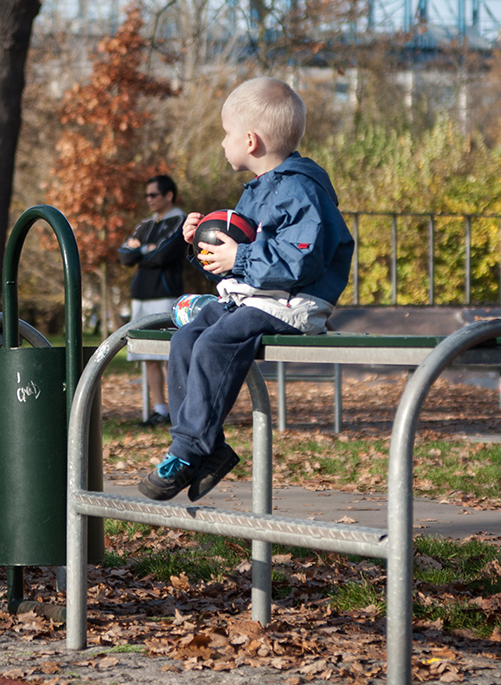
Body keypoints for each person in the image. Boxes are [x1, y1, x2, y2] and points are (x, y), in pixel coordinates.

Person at [138, 77, 355, 502]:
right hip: (258, 298)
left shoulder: (300, 189)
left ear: (251, 140)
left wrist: (238, 258)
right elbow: (240, 266)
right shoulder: (258, 192)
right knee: (187, 339)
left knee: (215, 342)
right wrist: (200, 243)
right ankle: (210, 449)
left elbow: (302, 259)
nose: (222, 143)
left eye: (226, 134)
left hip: (294, 303)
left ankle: (186, 451)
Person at [118, 174, 187, 426]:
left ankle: (180, 411)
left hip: (166, 296)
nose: (148, 199)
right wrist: (143, 249)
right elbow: (124, 256)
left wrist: (142, 250)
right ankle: (160, 411)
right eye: (146, 195)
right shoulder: (145, 225)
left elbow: (162, 254)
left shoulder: (180, 221)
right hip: (141, 297)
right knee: (148, 356)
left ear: (168, 195)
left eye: (153, 195)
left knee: (171, 355)